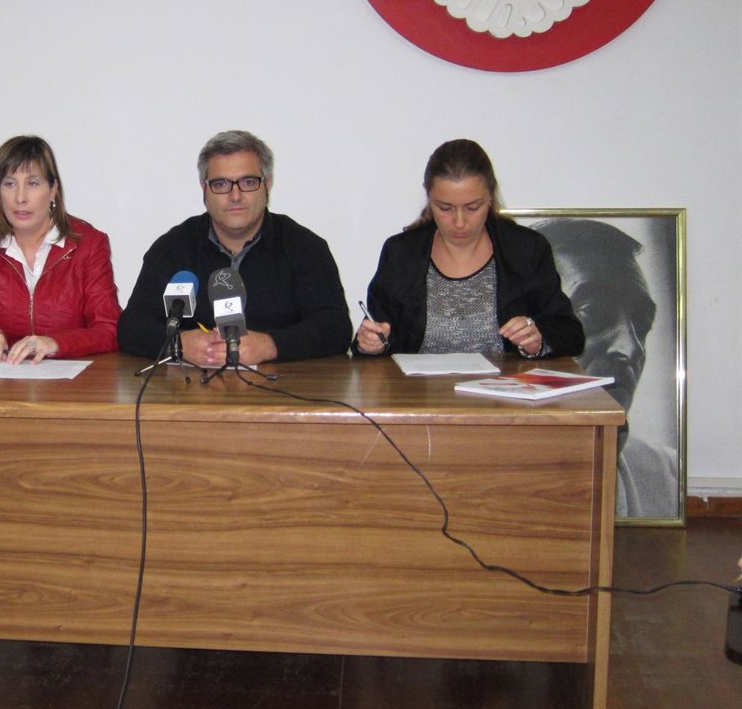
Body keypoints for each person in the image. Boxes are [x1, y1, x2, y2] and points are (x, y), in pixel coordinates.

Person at [117, 130, 351, 365]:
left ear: (267, 184)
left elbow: (336, 327)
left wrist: (270, 345)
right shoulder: (173, 248)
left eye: (248, 182)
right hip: (191, 383)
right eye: (221, 184)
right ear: (204, 188)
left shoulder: (304, 247)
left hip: (280, 383)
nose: (235, 196)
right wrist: (177, 344)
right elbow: (132, 327)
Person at [353, 139, 583, 359]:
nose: (460, 222)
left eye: (473, 207)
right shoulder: (401, 253)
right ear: (428, 196)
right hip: (418, 386)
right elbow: (377, 334)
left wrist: (538, 340)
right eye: (445, 208)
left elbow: (570, 333)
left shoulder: (526, 250)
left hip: (506, 386)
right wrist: (372, 345)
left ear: (490, 195)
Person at [534, 219, 677, 518]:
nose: (632, 349)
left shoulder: (667, 476)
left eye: (642, 324)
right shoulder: (465, 460)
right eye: (593, 313)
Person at [0, 135, 121, 364]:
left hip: (73, 379)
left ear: (53, 190)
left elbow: (110, 329)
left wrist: (54, 343)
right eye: (9, 184)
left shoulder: (89, 244)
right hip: (9, 376)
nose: (20, 198)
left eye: (32, 183)